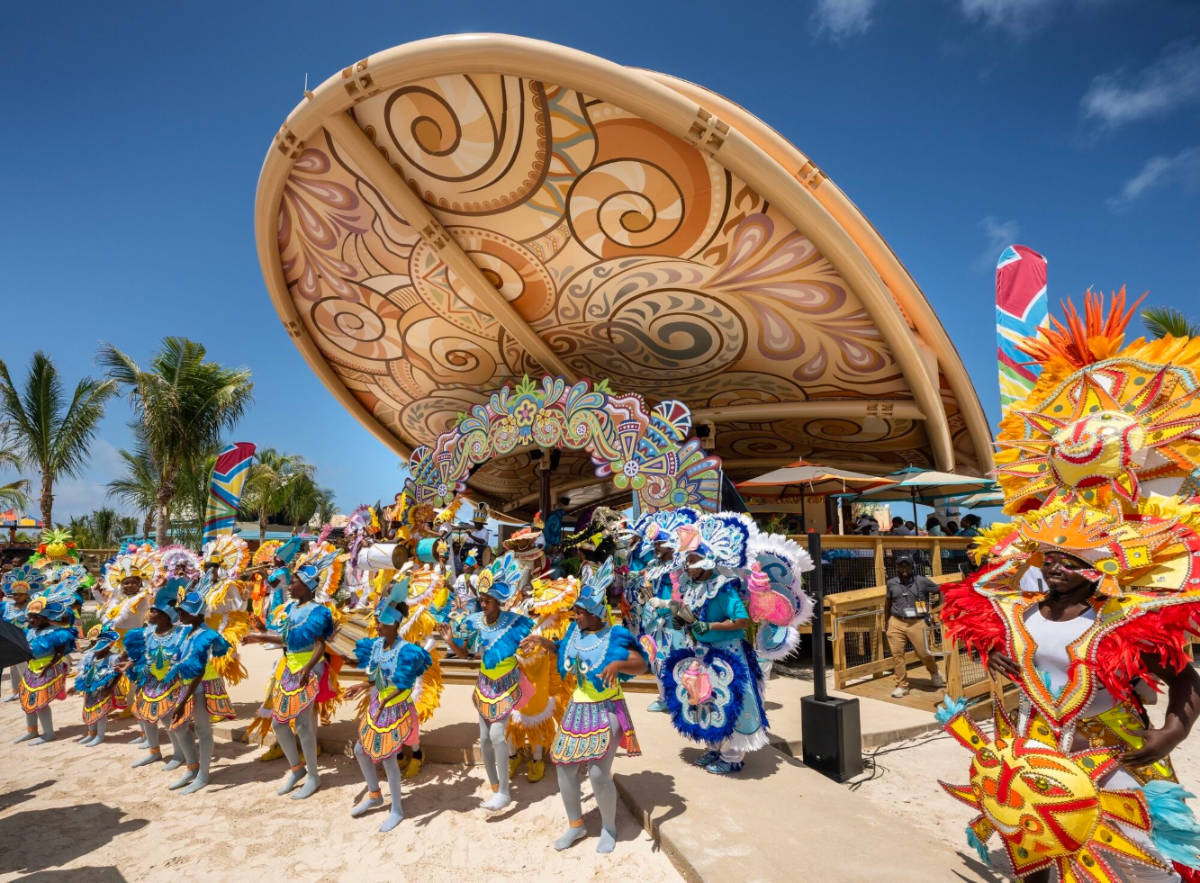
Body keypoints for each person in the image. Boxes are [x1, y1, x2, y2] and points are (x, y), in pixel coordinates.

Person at [523, 558, 646, 854]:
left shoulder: (614, 635)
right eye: (575, 611)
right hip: (578, 708)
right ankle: (576, 825)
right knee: (564, 767)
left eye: (579, 612)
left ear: (595, 612)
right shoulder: (574, 633)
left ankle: (608, 827)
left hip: (607, 707)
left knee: (598, 773)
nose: (574, 616)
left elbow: (642, 664)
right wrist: (542, 642)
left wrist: (617, 663)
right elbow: (563, 650)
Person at [664, 516, 767, 775]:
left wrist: (711, 628)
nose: (687, 568)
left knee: (731, 702)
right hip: (704, 654)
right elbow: (690, 615)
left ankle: (732, 756)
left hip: (729, 656)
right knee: (704, 699)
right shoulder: (691, 587)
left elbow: (742, 621)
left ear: (705, 561)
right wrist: (681, 622)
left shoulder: (724, 588)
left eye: (691, 562)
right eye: (686, 562)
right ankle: (713, 748)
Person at [441, 552, 533, 811]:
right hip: (484, 685)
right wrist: (450, 643)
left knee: (497, 735)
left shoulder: (514, 623)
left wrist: (528, 648)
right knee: (483, 740)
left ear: (498, 602)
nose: (483, 604)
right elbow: (467, 654)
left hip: (507, 684)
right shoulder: (474, 623)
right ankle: (495, 786)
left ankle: (505, 792)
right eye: (481, 600)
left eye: (488, 600)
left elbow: (526, 644)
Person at [243, 562, 337, 800]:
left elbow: (320, 645)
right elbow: (286, 639)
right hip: (289, 669)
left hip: (309, 669)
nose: (291, 585)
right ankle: (297, 769)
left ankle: (314, 776)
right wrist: (256, 636)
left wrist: (307, 669)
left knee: (304, 725)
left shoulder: (319, 611)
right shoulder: (292, 610)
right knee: (279, 723)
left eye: (295, 582)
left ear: (307, 587)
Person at [345, 584, 432, 833]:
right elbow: (378, 679)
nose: (377, 627)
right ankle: (375, 794)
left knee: (389, 760)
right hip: (379, 706)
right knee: (361, 750)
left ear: (394, 624)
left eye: (381, 623)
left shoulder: (407, 652)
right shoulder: (378, 647)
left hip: (396, 709)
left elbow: (403, 685)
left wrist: (385, 700)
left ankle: (397, 810)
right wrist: (362, 686)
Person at [165, 590, 237, 793]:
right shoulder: (185, 632)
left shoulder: (207, 635)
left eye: (183, 611)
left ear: (196, 612)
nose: (179, 615)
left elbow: (200, 669)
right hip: (187, 685)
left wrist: (182, 699)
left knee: (203, 730)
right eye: (178, 611)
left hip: (202, 685)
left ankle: (203, 774)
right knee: (178, 727)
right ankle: (192, 767)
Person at [121, 585, 187, 768]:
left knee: (167, 719)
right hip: (149, 682)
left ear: (166, 616)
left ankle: (178, 754)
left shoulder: (180, 634)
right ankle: (154, 751)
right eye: (151, 610)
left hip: (170, 683)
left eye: (154, 611)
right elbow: (142, 655)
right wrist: (130, 663)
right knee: (145, 716)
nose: (150, 614)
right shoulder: (146, 633)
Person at [14, 575, 77, 745]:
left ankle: (48, 733)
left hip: (48, 668)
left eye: (36, 617)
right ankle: (32, 731)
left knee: (41, 702)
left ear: (45, 617)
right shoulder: (30, 631)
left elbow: (59, 653)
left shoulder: (56, 633)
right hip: (33, 668)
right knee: (27, 699)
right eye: (30, 617)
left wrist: (48, 667)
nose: (32, 620)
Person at [884, 556, 943, 698]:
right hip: (896, 621)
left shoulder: (922, 581)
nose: (904, 570)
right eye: (901, 566)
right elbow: (888, 602)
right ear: (897, 568)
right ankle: (901, 685)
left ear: (912, 567)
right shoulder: (891, 583)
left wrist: (935, 609)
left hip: (917, 621)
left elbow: (940, 591)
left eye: (907, 566)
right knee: (897, 654)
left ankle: (934, 671)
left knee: (923, 653)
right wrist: (886, 621)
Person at [75, 625, 121, 747]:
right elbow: (84, 672)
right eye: (92, 642)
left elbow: (117, 674)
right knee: (89, 710)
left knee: (101, 713)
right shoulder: (90, 657)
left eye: (97, 642)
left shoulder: (113, 658)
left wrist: (109, 688)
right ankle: (91, 733)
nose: (94, 646)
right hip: (90, 690)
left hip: (103, 690)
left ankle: (100, 735)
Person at [1, 566, 32, 702]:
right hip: (8, 640)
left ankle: (27, 690)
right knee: (11, 667)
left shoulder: (31, 607)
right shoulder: (6, 606)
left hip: (24, 641)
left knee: (22, 666)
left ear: (26, 595)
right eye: (14, 594)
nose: (16, 596)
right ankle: (16, 691)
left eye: (20, 594)